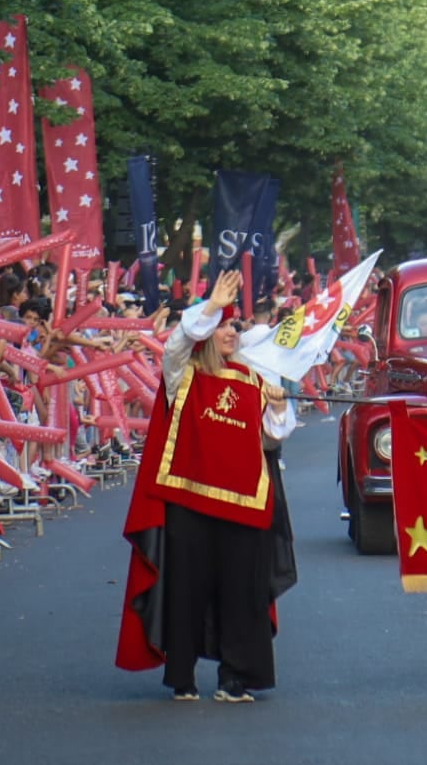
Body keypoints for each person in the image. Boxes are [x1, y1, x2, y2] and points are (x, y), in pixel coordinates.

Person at [116, 270, 296, 703]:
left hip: (243, 505)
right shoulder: (183, 373)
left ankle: (236, 679)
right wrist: (211, 305)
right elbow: (176, 343)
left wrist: (277, 408)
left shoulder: (252, 378)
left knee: (241, 593)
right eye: (222, 326)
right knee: (186, 590)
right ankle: (182, 677)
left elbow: (271, 441)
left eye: (234, 325)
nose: (231, 332)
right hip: (190, 502)